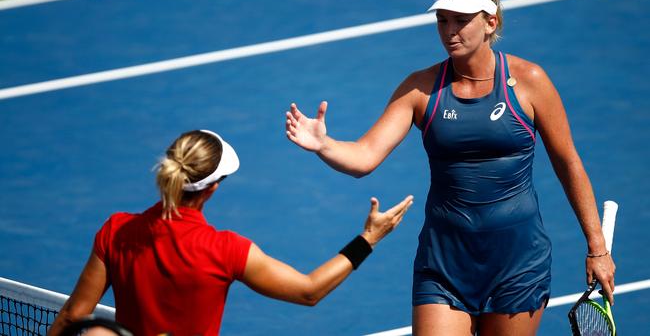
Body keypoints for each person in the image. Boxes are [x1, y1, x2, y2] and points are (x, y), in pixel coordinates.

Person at [285, 0, 615, 335]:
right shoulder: (420, 89)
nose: (449, 31)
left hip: (517, 265)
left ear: (491, 22)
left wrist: (597, 248)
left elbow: (568, 162)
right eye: (442, 20)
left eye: (461, 20)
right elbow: (364, 157)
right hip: (444, 266)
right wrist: (324, 145)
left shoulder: (530, 82)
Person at [47, 129, 413, 336]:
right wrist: (368, 239)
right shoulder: (225, 250)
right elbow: (309, 291)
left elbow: (71, 317)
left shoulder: (117, 230)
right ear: (213, 188)